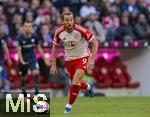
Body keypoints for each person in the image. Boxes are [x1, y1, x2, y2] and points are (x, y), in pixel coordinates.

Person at [50, 11, 98, 114]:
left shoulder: (80, 30)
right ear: (63, 21)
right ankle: (89, 87)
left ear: (73, 20)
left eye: (71, 20)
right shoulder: (59, 32)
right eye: (67, 20)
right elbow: (54, 48)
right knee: (75, 82)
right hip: (69, 60)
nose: (69, 22)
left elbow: (95, 43)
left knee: (75, 80)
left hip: (83, 57)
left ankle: (68, 108)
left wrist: (92, 59)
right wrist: (53, 65)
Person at [17, 21, 50, 97]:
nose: (27, 28)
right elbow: (18, 51)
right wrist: (21, 61)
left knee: (36, 72)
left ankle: (37, 93)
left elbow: (39, 48)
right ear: (23, 28)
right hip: (23, 59)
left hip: (32, 58)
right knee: (23, 78)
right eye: (26, 26)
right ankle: (24, 94)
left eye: (29, 26)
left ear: (31, 28)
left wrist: (45, 59)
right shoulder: (20, 38)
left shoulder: (34, 37)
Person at [0, 25, 12, 95]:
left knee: (3, 77)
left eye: (1, 30)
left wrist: (8, 59)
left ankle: (6, 89)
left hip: (1, 62)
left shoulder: (2, 41)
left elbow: (6, 50)